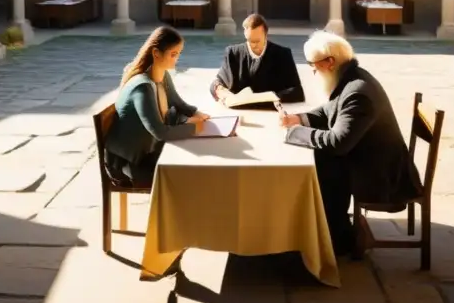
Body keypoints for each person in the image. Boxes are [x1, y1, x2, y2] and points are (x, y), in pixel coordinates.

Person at [279, 30, 422, 256]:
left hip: (382, 175)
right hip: (371, 159)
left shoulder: (358, 92)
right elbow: (330, 109)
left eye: (313, 65)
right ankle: (322, 228)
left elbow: (338, 142)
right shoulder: (350, 77)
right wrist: (300, 118)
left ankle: (336, 236)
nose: (312, 70)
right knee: (319, 161)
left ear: (330, 62)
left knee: (322, 166)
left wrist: (295, 133)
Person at [105, 26, 210, 186]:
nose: (177, 59)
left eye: (179, 54)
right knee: (187, 177)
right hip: (128, 163)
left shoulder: (163, 75)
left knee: (196, 164)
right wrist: (195, 128)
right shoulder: (143, 87)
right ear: (156, 53)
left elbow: (178, 102)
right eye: (173, 54)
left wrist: (199, 114)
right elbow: (160, 132)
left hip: (147, 151)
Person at [210, 14, 305, 105]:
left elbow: (297, 91)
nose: (254, 45)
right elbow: (218, 82)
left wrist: (272, 97)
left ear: (266, 35)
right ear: (245, 34)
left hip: (270, 111)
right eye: (250, 41)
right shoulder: (233, 53)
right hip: (239, 110)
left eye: (257, 41)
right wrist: (219, 90)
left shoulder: (283, 54)